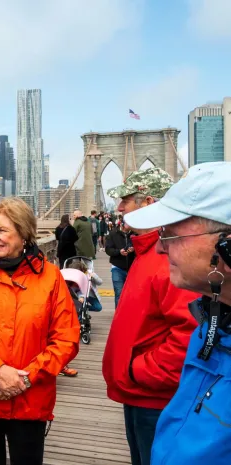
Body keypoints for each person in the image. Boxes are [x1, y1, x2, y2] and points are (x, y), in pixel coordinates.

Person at [0, 197, 80, 465]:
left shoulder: (51, 278)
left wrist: (26, 378)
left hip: (30, 400)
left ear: (23, 234)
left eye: (3, 230)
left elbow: (66, 338)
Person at [122, 162, 231, 465]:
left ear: (226, 247)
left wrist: (137, 370)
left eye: (170, 235)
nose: (158, 247)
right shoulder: (209, 327)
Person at [101, 167, 199, 465]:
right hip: (138, 393)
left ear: (148, 204)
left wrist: (138, 370)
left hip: (154, 398)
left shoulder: (170, 258)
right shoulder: (148, 253)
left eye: (126, 200)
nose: (119, 208)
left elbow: (191, 332)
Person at [105, 221, 137, 308]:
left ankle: (128, 314)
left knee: (132, 293)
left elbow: (141, 248)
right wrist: (119, 252)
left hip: (132, 267)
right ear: (122, 224)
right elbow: (108, 250)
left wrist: (134, 249)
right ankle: (118, 316)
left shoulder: (135, 234)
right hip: (117, 267)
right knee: (119, 293)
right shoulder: (113, 234)